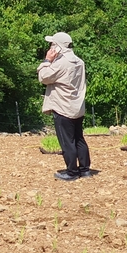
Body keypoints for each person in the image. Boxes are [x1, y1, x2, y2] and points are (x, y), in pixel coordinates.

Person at [37, 31, 91, 181]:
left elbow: (43, 77)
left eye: (52, 44)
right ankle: (85, 169)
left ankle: (72, 172)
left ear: (58, 46)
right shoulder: (79, 62)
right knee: (79, 138)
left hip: (62, 107)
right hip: (77, 107)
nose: (50, 47)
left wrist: (47, 60)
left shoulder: (61, 63)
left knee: (67, 141)